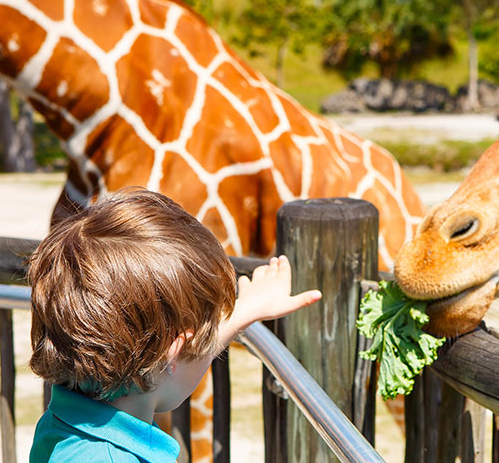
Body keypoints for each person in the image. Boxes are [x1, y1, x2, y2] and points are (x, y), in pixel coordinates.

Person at [28, 187, 321, 462]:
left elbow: (180, 355)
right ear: (174, 350)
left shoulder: (69, 422)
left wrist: (243, 312)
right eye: (203, 341)